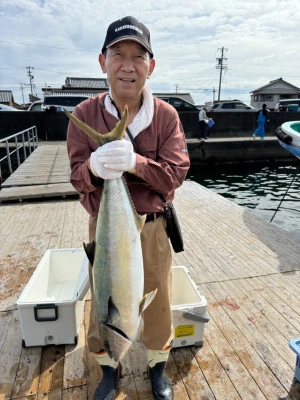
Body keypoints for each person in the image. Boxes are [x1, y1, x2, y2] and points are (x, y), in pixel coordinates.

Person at [67, 16, 190, 400]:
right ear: (102, 61)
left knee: (158, 301)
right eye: (118, 54)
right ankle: (108, 369)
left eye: (138, 57)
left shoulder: (166, 116)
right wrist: (92, 168)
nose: (127, 65)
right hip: (104, 228)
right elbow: (75, 177)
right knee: (104, 302)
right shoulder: (84, 114)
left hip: (153, 228)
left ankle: (157, 367)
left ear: (150, 66)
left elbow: (175, 173)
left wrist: (135, 163)